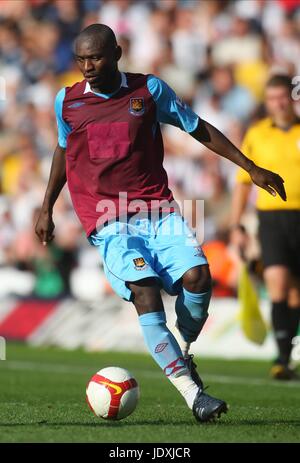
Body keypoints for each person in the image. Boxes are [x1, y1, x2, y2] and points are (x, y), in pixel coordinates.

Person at [35, 24, 286, 422]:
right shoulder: (66, 102)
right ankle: (193, 395)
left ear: (117, 53)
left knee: (199, 278)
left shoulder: (148, 91)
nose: (87, 67)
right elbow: (64, 150)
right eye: (81, 59)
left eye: (95, 58)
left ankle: (183, 350)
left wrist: (250, 167)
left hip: (157, 209)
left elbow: (197, 127)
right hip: (107, 218)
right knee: (145, 293)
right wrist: (46, 206)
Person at [231, 74, 300, 380]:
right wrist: (236, 225)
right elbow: (243, 184)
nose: (278, 103)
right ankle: (282, 359)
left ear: (292, 97)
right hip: (271, 219)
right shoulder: (256, 133)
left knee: (296, 294)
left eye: (282, 97)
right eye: (272, 98)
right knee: (277, 284)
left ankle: (288, 352)